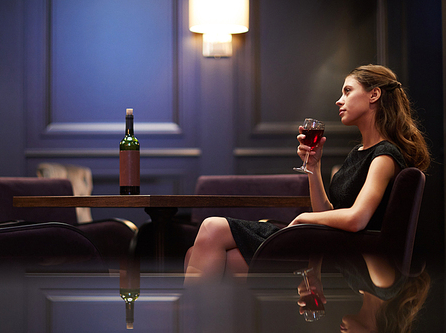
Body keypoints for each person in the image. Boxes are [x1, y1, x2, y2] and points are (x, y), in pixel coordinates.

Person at [184, 64, 430, 285]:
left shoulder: (384, 156)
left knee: (211, 228)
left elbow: (357, 219)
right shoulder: (359, 152)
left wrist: (304, 218)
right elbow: (327, 214)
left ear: (374, 95)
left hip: (338, 253)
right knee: (198, 252)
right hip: (321, 241)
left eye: (347, 91)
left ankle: (191, 320)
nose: (338, 100)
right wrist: (313, 167)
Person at [297, 253, 430, 333]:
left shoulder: (357, 286)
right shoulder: (384, 284)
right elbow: (356, 235)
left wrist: (313, 272)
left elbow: (328, 234)